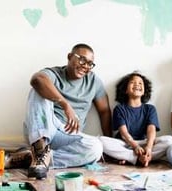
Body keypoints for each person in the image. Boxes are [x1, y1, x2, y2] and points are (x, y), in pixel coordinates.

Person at [15, 43, 112, 179]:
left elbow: (105, 111)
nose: (85, 66)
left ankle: (34, 158)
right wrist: (65, 104)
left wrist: (110, 144)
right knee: (37, 90)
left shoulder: (94, 82)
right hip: (45, 127)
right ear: (70, 56)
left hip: (69, 135)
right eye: (82, 59)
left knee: (96, 148)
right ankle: (39, 148)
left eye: (90, 63)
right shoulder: (55, 73)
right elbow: (37, 79)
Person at [100, 72, 172, 167]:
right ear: (126, 90)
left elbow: (151, 130)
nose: (137, 84)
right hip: (126, 144)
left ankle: (138, 157)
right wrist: (135, 146)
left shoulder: (150, 109)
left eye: (140, 83)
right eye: (133, 82)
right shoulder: (119, 109)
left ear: (144, 90)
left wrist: (148, 147)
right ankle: (138, 158)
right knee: (101, 141)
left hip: (144, 143)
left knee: (170, 140)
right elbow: (124, 134)